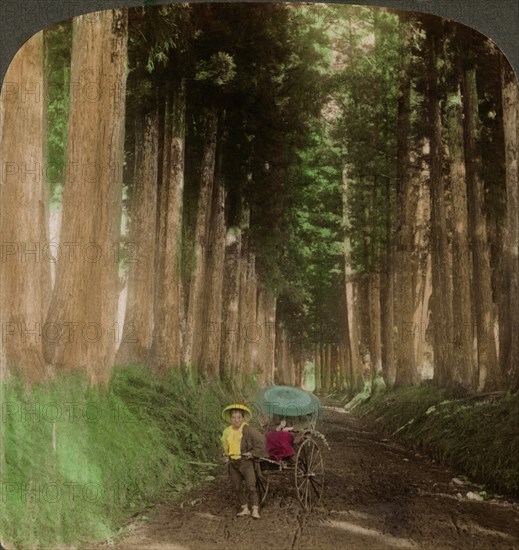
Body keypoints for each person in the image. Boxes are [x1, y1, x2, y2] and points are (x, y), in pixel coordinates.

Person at [221, 403, 267, 519]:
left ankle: (255, 510)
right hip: (233, 463)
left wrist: (251, 453)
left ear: (242, 418)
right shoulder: (227, 431)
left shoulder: (248, 430)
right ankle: (245, 508)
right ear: (230, 419)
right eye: (233, 417)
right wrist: (226, 455)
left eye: (238, 417)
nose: (236, 420)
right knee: (237, 487)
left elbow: (261, 442)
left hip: (246, 462)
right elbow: (225, 445)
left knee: (251, 486)